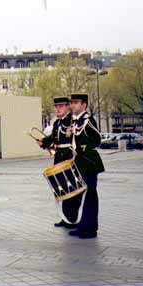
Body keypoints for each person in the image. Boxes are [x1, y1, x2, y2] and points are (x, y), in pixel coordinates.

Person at [39, 96, 81, 228]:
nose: (58, 109)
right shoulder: (57, 123)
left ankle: (73, 218)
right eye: (56, 106)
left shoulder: (72, 121)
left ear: (68, 106)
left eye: (61, 106)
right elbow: (53, 139)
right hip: (59, 158)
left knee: (72, 188)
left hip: (69, 158)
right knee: (61, 188)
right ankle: (65, 217)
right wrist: (43, 142)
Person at [68, 93, 105, 239]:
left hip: (89, 162)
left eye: (76, 103)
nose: (73, 105)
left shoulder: (88, 120)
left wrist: (83, 148)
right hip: (80, 162)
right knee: (82, 194)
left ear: (84, 105)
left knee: (90, 194)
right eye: (72, 102)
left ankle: (90, 228)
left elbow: (97, 139)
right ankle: (83, 225)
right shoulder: (76, 121)